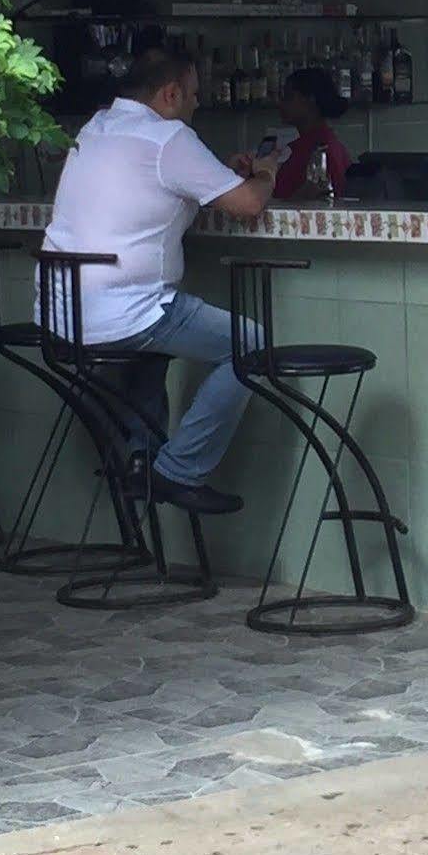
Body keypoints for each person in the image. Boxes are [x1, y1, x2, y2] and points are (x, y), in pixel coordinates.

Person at [38, 44, 280, 514]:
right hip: (126, 315)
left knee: (154, 353)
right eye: (192, 95)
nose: (195, 106)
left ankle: (139, 461)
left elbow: (157, 186)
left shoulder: (97, 127)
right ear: (169, 93)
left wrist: (218, 177)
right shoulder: (169, 138)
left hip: (62, 314)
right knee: (251, 345)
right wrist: (266, 173)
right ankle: (176, 472)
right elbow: (249, 205)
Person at [272, 67, 350, 200]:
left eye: (288, 96)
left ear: (310, 100)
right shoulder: (303, 146)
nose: (280, 104)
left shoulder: (324, 149)